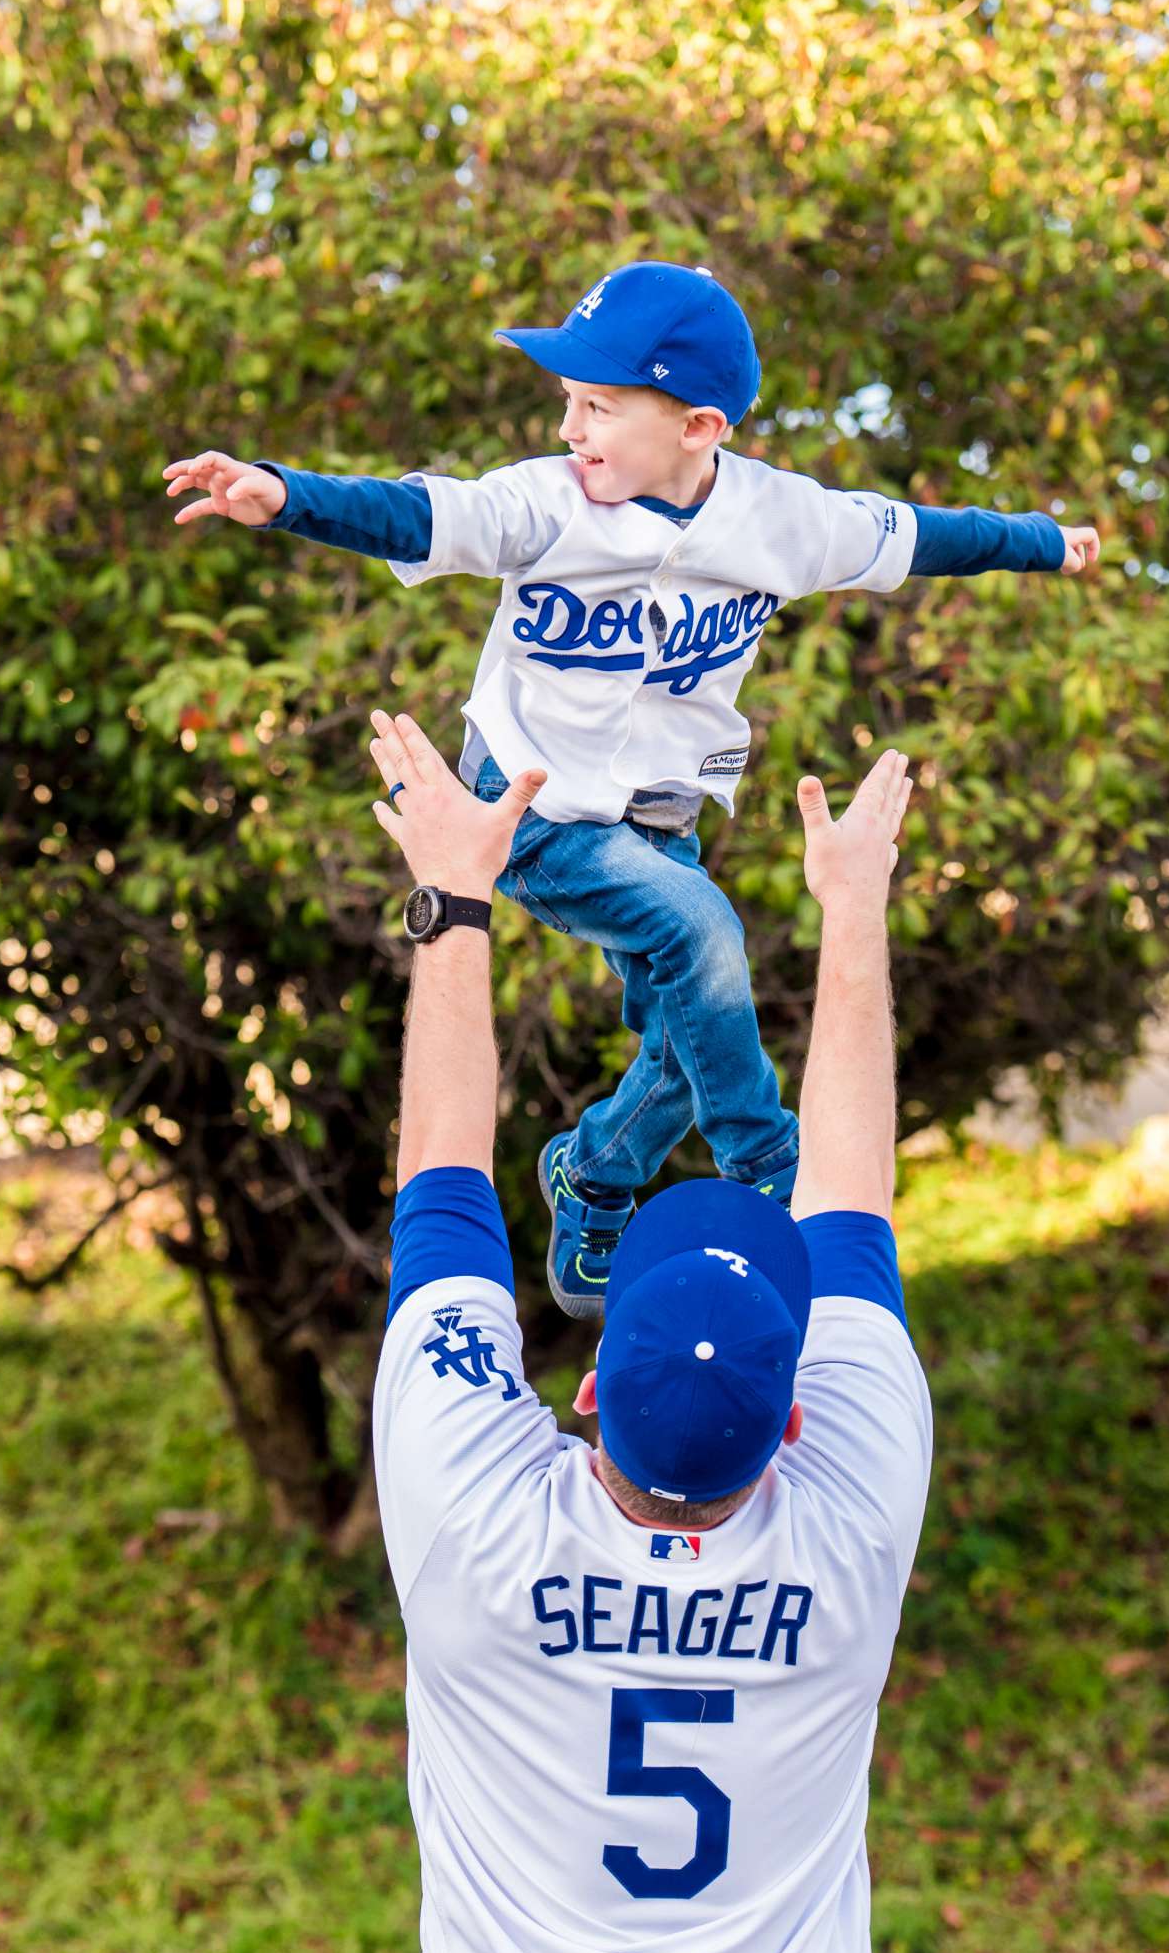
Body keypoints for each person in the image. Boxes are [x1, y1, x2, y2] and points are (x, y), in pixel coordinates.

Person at [164, 259, 1099, 1318]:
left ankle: (594, 1175)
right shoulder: (543, 504)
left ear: (699, 425)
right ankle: (766, 1163)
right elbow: (425, 515)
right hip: (534, 813)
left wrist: (1041, 543)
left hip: (665, 816)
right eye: (567, 402)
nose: (572, 429)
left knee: (683, 1030)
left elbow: (925, 537)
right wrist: (283, 496)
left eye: (598, 407)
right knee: (706, 938)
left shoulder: (784, 521)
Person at [361, 704, 931, 1953]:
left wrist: (456, 901)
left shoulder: (474, 1516)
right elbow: (851, 1196)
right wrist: (850, 910)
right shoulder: (849, 1526)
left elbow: (443, 1187)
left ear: (587, 1392)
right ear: (798, 1417)